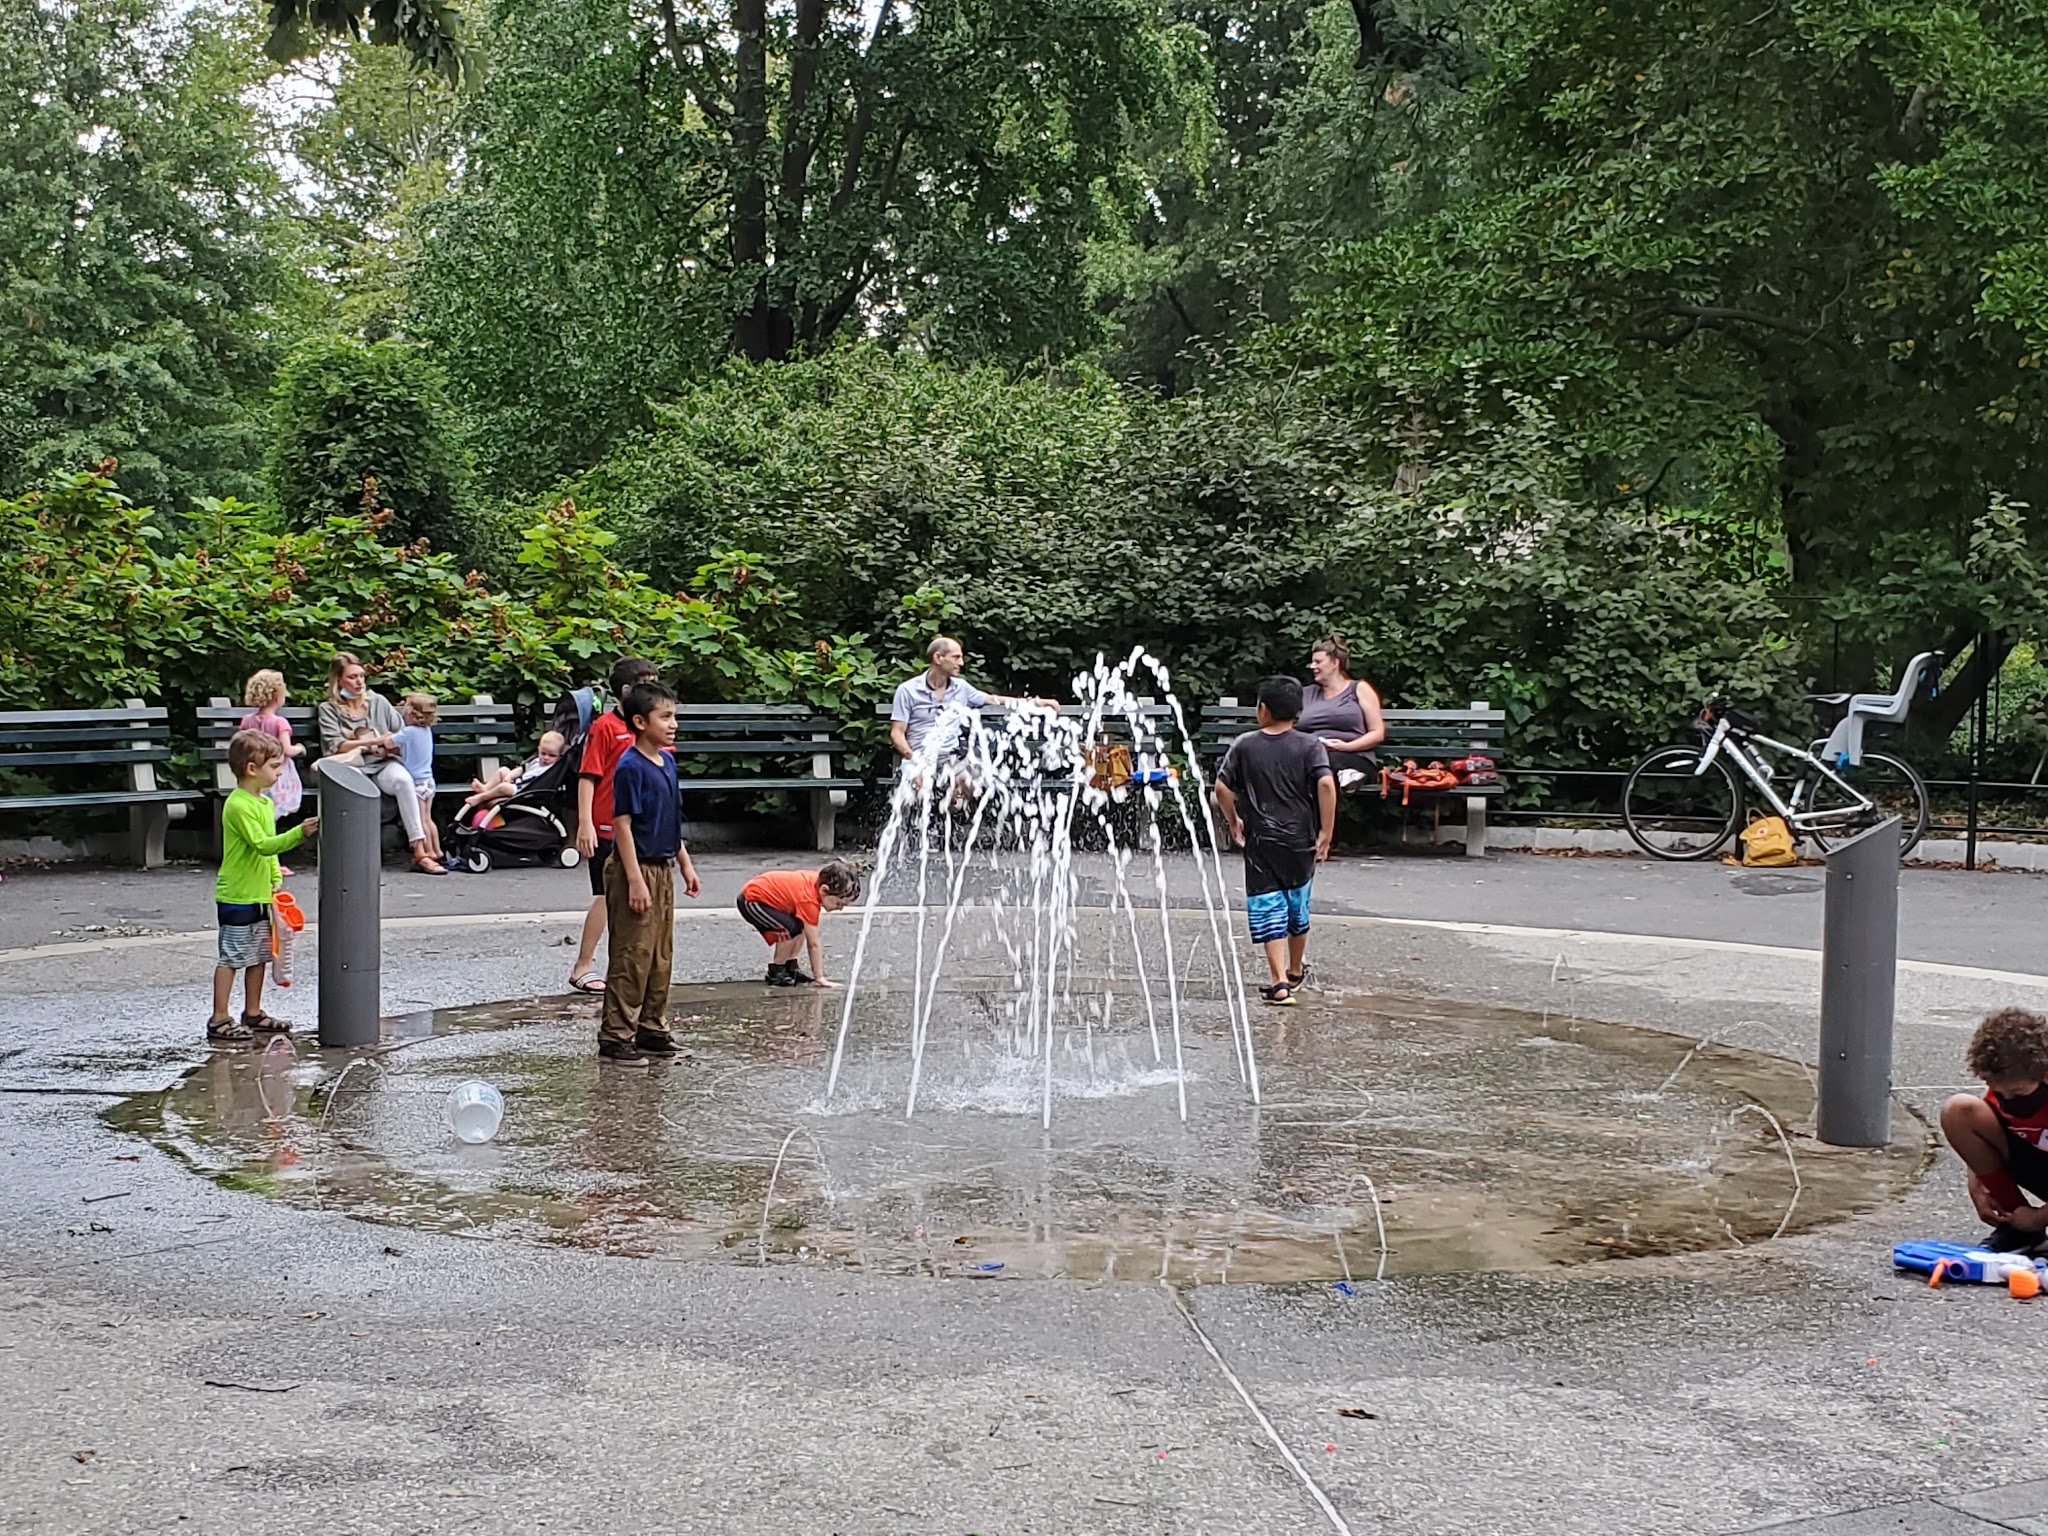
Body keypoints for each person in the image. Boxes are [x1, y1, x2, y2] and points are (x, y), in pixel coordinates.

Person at [1214, 675, 1336, 1007]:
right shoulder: (1311, 746)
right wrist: (1326, 831)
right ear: (1298, 711)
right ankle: (1296, 970)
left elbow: (1221, 788)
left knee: (1268, 904)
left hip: (1261, 839)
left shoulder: (1245, 744)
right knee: (1298, 903)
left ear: (1262, 710)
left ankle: (1278, 980)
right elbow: (1326, 786)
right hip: (1300, 839)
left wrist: (1233, 819)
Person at [600, 681, 702, 1065]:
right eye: (666, 717)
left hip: (662, 866)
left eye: (674, 716)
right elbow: (622, 826)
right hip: (635, 867)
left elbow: (671, 820)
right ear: (640, 722)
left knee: (660, 954)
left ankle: (651, 1028)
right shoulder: (630, 767)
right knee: (632, 954)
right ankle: (615, 1035)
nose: (673, 724)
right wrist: (635, 880)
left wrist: (685, 863)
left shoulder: (668, 761)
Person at [209, 730, 317, 1043]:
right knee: (231, 958)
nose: (279, 771)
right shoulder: (239, 805)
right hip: (237, 895)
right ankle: (219, 1018)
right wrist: (299, 833)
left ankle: (253, 1012)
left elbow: (270, 850)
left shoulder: (263, 803)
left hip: (258, 894)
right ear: (252, 769)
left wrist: (273, 877)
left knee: (258, 956)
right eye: (274, 766)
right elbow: (262, 844)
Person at [570, 657, 662, 993]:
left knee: (638, 897)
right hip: (606, 825)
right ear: (625, 692)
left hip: (639, 828)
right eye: (645, 685)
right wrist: (585, 823)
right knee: (606, 895)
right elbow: (588, 776)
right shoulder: (606, 728)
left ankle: (629, 967)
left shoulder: (648, 729)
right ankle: (583, 964)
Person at [317, 652, 444, 876]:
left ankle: (420, 852)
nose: (359, 682)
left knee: (404, 781)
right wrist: (374, 741)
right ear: (339, 681)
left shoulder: (378, 702)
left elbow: (400, 735)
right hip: (352, 768)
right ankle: (347, 857)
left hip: (383, 764)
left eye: (361, 676)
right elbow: (336, 746)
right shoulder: (329, 709)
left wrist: (386, 748)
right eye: (352, 677)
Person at [1941, 1007, 2048, 1250]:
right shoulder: (2005, 1088)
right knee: (1958, 1111)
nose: (2008, 1100)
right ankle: (2016, 1227)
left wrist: (2039, 1217)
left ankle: (2029, 1225)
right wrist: (1978, 1185)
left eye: (2018, 1092)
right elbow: (1985, 1128)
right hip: (2037, 1163)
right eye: (1998, 1092)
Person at [888, 636, 1056, 790]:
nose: (961, 663)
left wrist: (1037, 703)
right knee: (919, 788)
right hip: (918, 757)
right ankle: (920, 823)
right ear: (938, 658)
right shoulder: (908, 691)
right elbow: (897, 733)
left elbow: (994, 699)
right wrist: (915, 760)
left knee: (969, 783)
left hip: (951, 758)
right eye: (956, 657)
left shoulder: (961, 688)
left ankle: (955, 822)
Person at [737, 861, 861, 988]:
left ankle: (790, 966)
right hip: (751, 900)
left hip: (761, 895)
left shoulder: (815, 885)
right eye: (838, 903)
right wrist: (820, 977)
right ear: (824, 890)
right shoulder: (808, 900)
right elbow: (813, 944)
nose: (839, 909)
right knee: (788, 929)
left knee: (799, 925)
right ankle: (776, 970)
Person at [238, 669, 305, 872]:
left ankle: (263, 860)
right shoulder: (279, 723)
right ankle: (272, 862)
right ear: (277, 696)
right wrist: (300, 748)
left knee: (259, 818)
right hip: (277, 776)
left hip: (255, 774)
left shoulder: (247, 721)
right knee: (270, 819)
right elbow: (286, 750)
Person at [1300, 636, 1386, 791]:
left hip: (1354, 756)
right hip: (1314, 755)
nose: (1312, 666)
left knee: (1322, 766)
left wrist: (1346, 746)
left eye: (1318, 662)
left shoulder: (1359, 689)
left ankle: (1348, 775)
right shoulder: (1307, 693)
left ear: (1335, 663)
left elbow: (1377, 733)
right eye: (1312, 662)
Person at [393, 692, 448, 867]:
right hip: (428, 781)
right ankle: (437, 850)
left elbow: (388, 742)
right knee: (428, 818)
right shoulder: (426, 731)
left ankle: (428, 850)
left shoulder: (408, 732)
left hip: (416, 783)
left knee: (419, 819)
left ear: (410, 713)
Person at [461, 730, 566, 821]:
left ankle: (481, 797)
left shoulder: (552, 769)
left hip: (524, 791)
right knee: (503, 770)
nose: (546, 758)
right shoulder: (536, 761)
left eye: (552, 755)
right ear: (538, 749)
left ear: (560, 756)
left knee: (504, 787)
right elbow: (521, 769)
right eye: (543, 753)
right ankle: (486, 788)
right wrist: (510, 776)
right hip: (517, 783)